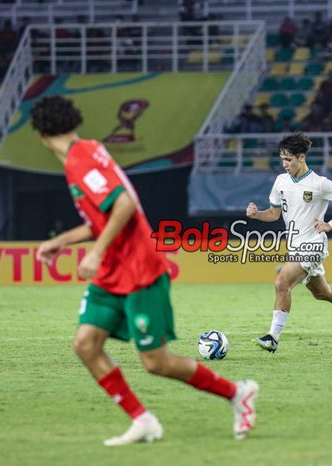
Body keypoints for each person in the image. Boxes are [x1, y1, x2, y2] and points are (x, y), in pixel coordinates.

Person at [31, 96, 258, 445]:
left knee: (156, 362)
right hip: (112, 271)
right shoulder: (86, 151)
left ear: (42, 134)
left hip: (138, 269)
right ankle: (143, 419)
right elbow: (103, 218)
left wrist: (95, 253)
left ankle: (237, 392)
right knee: (86, 344)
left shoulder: (80, 160)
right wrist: (61, 241)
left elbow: (123, 205)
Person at [246, 132, 332, 353]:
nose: (284, 164)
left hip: (313, 244)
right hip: (295, 245)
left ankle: (272, 338)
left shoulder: (320, 184)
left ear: (302, 157)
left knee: (282, 283)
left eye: (289, 159)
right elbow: (274, 214)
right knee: (322, 292)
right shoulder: (280, 181)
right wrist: (257, 214)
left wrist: (330, 224)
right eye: (282, 159)